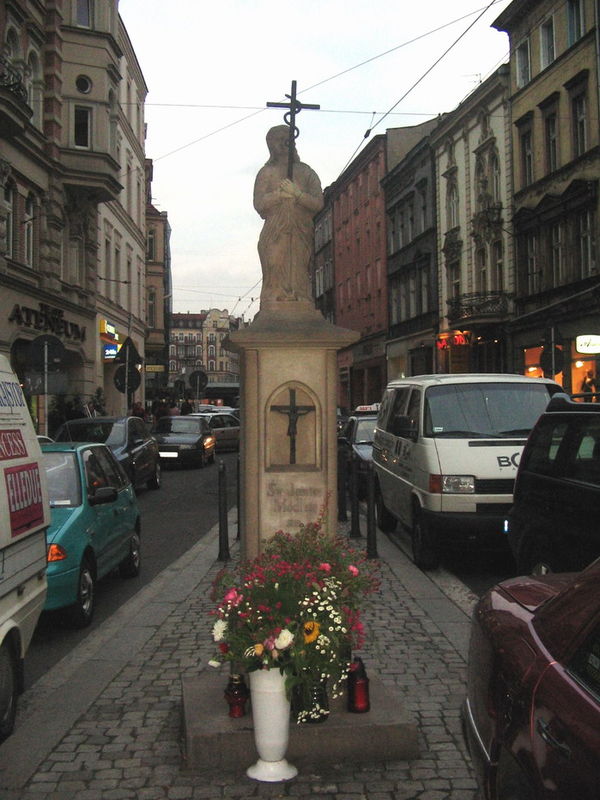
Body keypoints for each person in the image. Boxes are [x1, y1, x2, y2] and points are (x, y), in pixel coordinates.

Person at [253, 125, 323, 306]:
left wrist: (298, 194)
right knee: (275, 265)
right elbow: (259, 204)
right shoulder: (266, 172)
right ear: (271, 146)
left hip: (300, 230)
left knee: (299, 268)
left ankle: (300, 298)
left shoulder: (306, 172)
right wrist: (278, 195)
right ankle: (274, 300)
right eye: (278, 140)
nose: (283, 143)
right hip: (275, 232)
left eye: (286, 139)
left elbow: (318, 203)